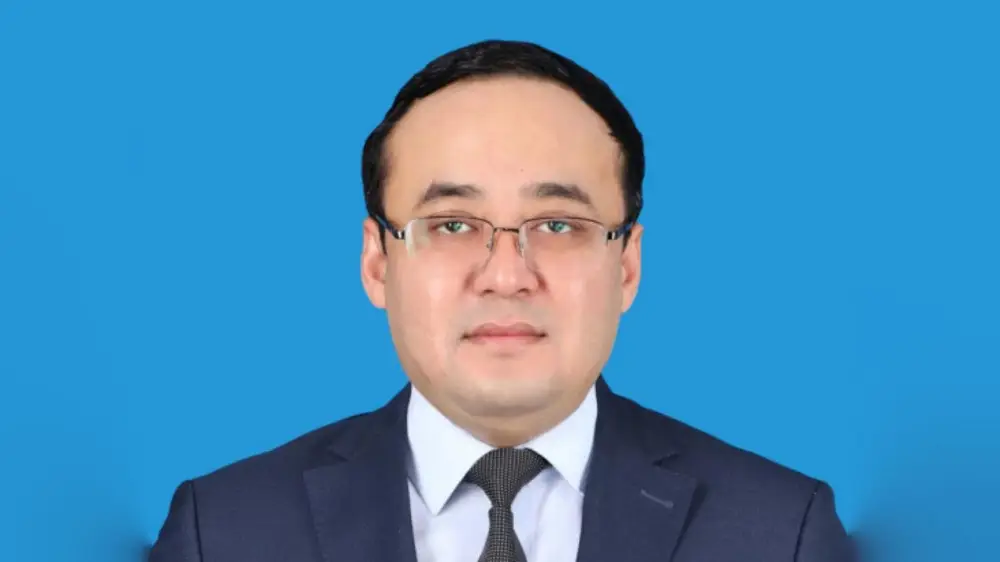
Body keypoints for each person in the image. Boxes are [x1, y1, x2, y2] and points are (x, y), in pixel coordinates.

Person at [148, 39, 853, 562]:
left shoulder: (779, 531)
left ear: (628, 266)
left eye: (559, 226)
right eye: (452, 225)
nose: (507, 276)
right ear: (377, 262)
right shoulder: (225, 531)